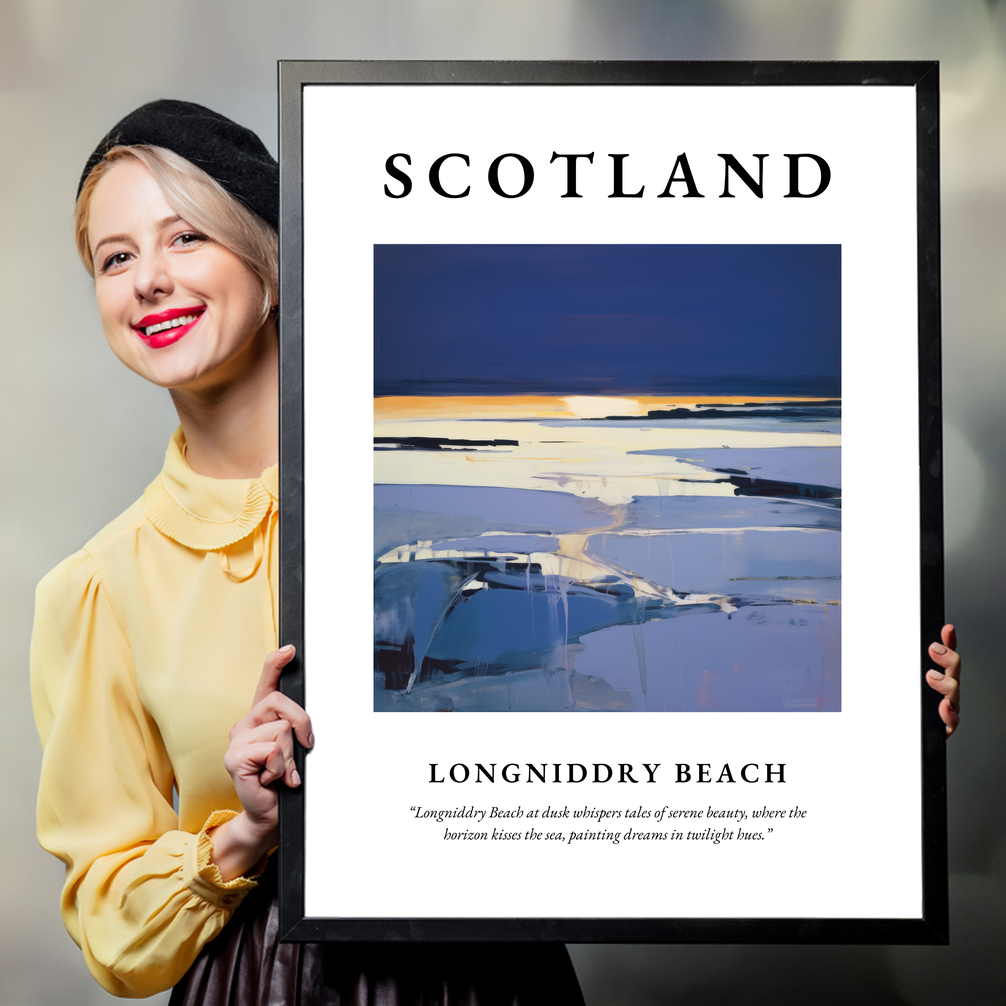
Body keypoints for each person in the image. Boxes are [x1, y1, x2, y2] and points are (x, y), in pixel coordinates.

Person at [30, 100, 586, 1004]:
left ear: (272, 263)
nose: (148, 281)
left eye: (185, 238)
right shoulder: (98, 587)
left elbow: (628, 673)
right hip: (262, 982)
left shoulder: (465, 485)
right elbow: (110, 922)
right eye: (116, 257)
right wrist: (245, 832)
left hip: (491, 972)